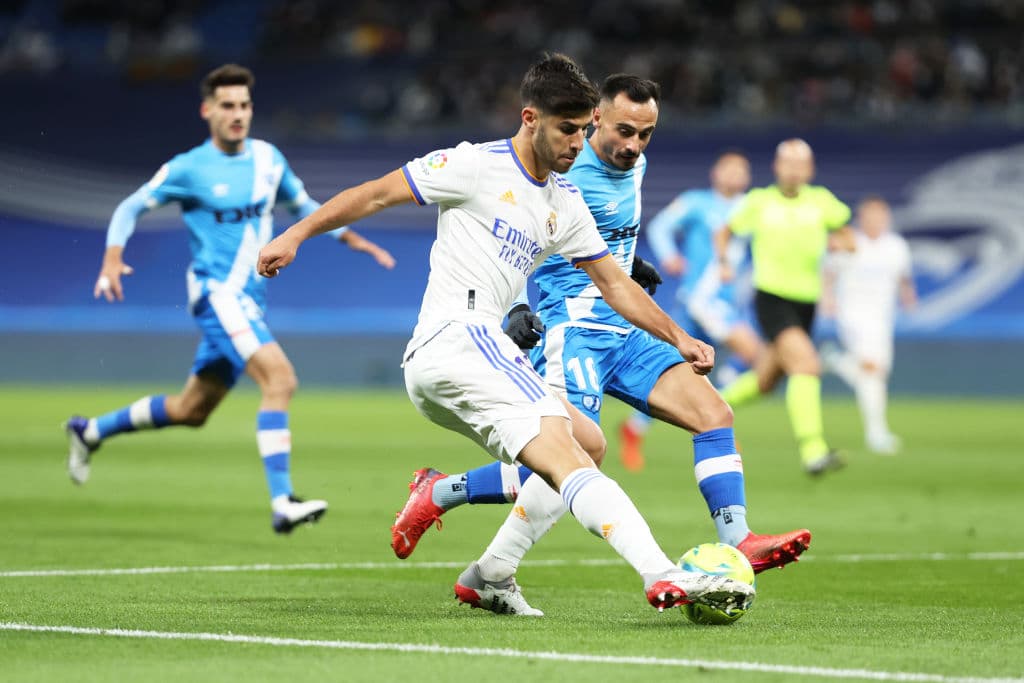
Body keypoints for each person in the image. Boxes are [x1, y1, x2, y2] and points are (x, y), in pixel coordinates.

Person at [257, 54, 754, 616]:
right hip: (456, 336)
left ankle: (490, 574)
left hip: (474, 355)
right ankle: (661, 573)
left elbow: (616, 284)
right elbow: (374, 194)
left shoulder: (564, 201)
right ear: (529, 119)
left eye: (584, 129)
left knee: (588, 444)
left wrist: (679, 336)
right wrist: (294, 235)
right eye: (567, 130)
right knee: (570, 454)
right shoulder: (473, 165)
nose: (576, 143)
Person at [387, 74, 809, 616]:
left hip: (625, 329)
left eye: (646, 134)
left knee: (713, 412)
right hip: (572, 329)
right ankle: (449, 502)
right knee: (572, 452)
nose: (633, 146)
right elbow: (509, 232)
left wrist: (630, 264)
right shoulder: (560, 167)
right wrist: (517, 308)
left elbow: (602, 245)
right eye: (623, 131)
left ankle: (738, 540)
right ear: (593, 124)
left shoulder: (636, 166)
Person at [64, 63, 396, 534]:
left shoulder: (268, 159)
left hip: (248, 300)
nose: (237, 114)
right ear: (207, 110)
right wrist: (112, 258)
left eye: (244, 105)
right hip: (218, 295)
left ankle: (89, 431)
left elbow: (302, 206)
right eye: (227, 106)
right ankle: (283, 501)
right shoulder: (189, 168)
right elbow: (131, 205)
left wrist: (351, 239)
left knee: (190, 411)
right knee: (279, 379)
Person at [715, 138, 855, 476]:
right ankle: (814, 451)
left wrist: (842, 244)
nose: (793, 170)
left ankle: (713, 406)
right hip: (772, 299)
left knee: (766, 380)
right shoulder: (760, 202)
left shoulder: (822, 201)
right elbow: (725, 233)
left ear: (810, 169)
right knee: (806, 364)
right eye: (787, 163)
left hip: (807, 302)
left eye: (800, 163)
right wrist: (724, 262)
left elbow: (847, 236)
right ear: (777, 167)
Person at [618, 151, 762, 471]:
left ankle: (637, 428)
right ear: (715, 172)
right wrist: (670, 256)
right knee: (751, 352)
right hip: (698, 299)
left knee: (683, 368)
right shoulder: (696, 202)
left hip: (725, 301)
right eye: (729, 168)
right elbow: (660, 227)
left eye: (741, 169)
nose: (734, 175)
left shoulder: (752, 208)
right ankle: (718, 416)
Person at [820, 196, 916, 454]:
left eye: (880, 216)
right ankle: (877, 434)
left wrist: (908, 297)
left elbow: (903, 277)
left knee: (876, 374)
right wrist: (828, 299)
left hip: (882, 318)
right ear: (861, 219)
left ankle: (836, 361)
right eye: (870, 216)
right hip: (852, 316)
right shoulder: (850, 242)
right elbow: (829, 273)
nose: (875, 221)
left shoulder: (896, 246)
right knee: (872, 370)